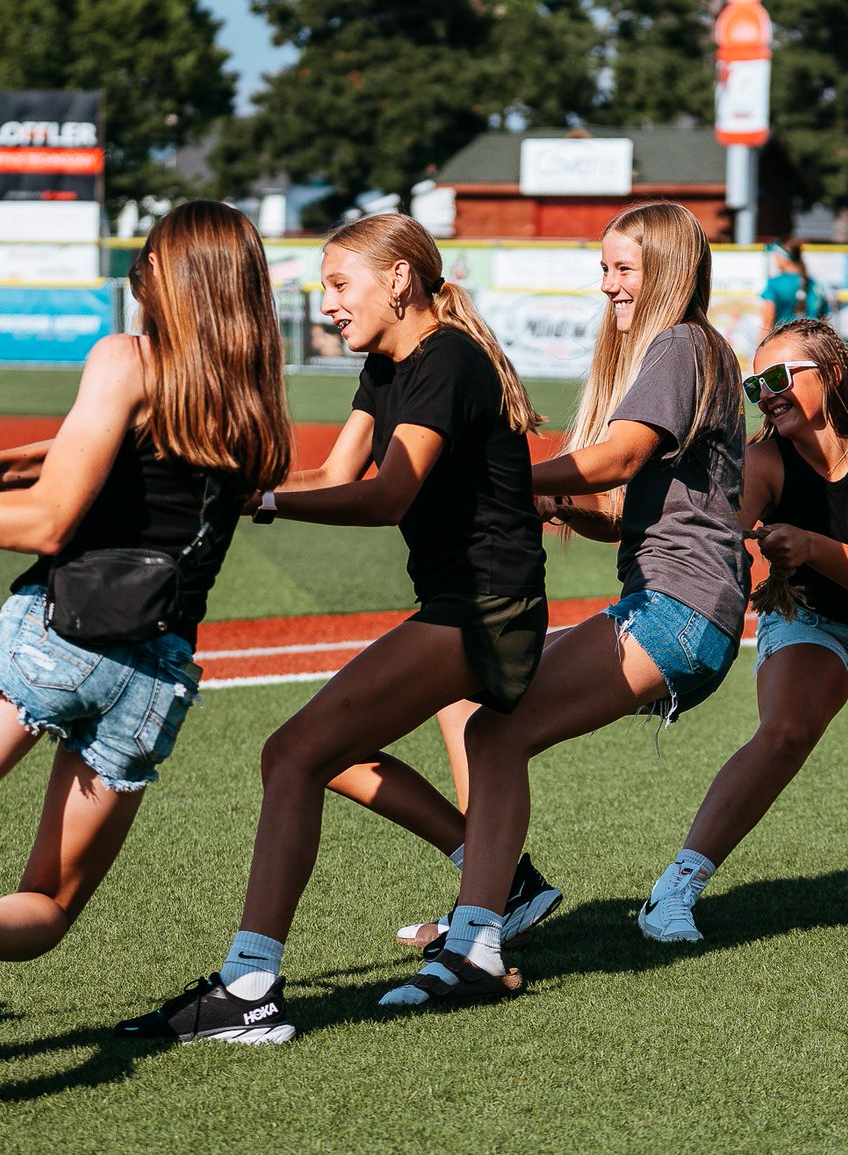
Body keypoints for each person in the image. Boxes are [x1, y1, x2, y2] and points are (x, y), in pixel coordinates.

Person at [117, 212, 555, 1043]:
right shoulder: (386, 367)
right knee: (325, 754)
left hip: (485, 611)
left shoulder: (448, 360)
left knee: (292, 752)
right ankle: (498, 875)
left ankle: (250, 988)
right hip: (465, 605)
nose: (327, 306)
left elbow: (386, 493)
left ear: (398, 280)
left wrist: (268, 500)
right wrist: (231, 477)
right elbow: (329, 473)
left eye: (338, 285)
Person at [375, 199, 750, 1008]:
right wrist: (551, 505)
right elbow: (621, 508)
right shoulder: (683, 350)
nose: (608, 285)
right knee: (467, 699)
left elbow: (616, 457)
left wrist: (496, 475)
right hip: (679, 606)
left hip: (679, 610)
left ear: (669, 273)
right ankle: (498, 898)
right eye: (604, 269)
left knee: (495, 732)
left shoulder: (682, 342)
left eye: (623, 270)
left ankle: (479, 936)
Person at [0, 200, 292, 965]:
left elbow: (49, 523)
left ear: (163, 273)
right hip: (153, 677)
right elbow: (121, 446)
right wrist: (12, 463)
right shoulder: (256, 403)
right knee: (48, 909)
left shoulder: (125, 357)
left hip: (60, 634)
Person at [639, 317, 848, 943]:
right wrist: (575, 505)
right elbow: (707, 531)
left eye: (780, 377)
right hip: (812, 626)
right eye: (757, 385)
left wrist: (807, 544)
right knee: (785, 732)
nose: (766, 393)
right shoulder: (764, 463)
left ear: (831, 374)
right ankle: (671, 893)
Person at [759, 238, 831, 342]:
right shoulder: (816, 284)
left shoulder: (774, 283)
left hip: (784, 342)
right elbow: (824, 318)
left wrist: (760, 348)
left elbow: (767, 322)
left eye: (777, 256)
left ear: (785, 258)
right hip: (812, 344)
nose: (775, 259)